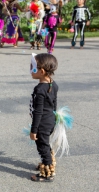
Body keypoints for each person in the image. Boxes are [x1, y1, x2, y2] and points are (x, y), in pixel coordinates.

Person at [29, 53, 58, 182]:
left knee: (42, 146)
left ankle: (47, 173)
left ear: (41, 71)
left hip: (42, 124)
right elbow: (54, 104)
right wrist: (55, 120)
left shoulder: (40, 89)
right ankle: (48, 162)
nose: (30, 69)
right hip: (50, 120)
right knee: (45, 144)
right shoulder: (53, 84)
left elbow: (38, 111)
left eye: (32, 67)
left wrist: (34, 130)